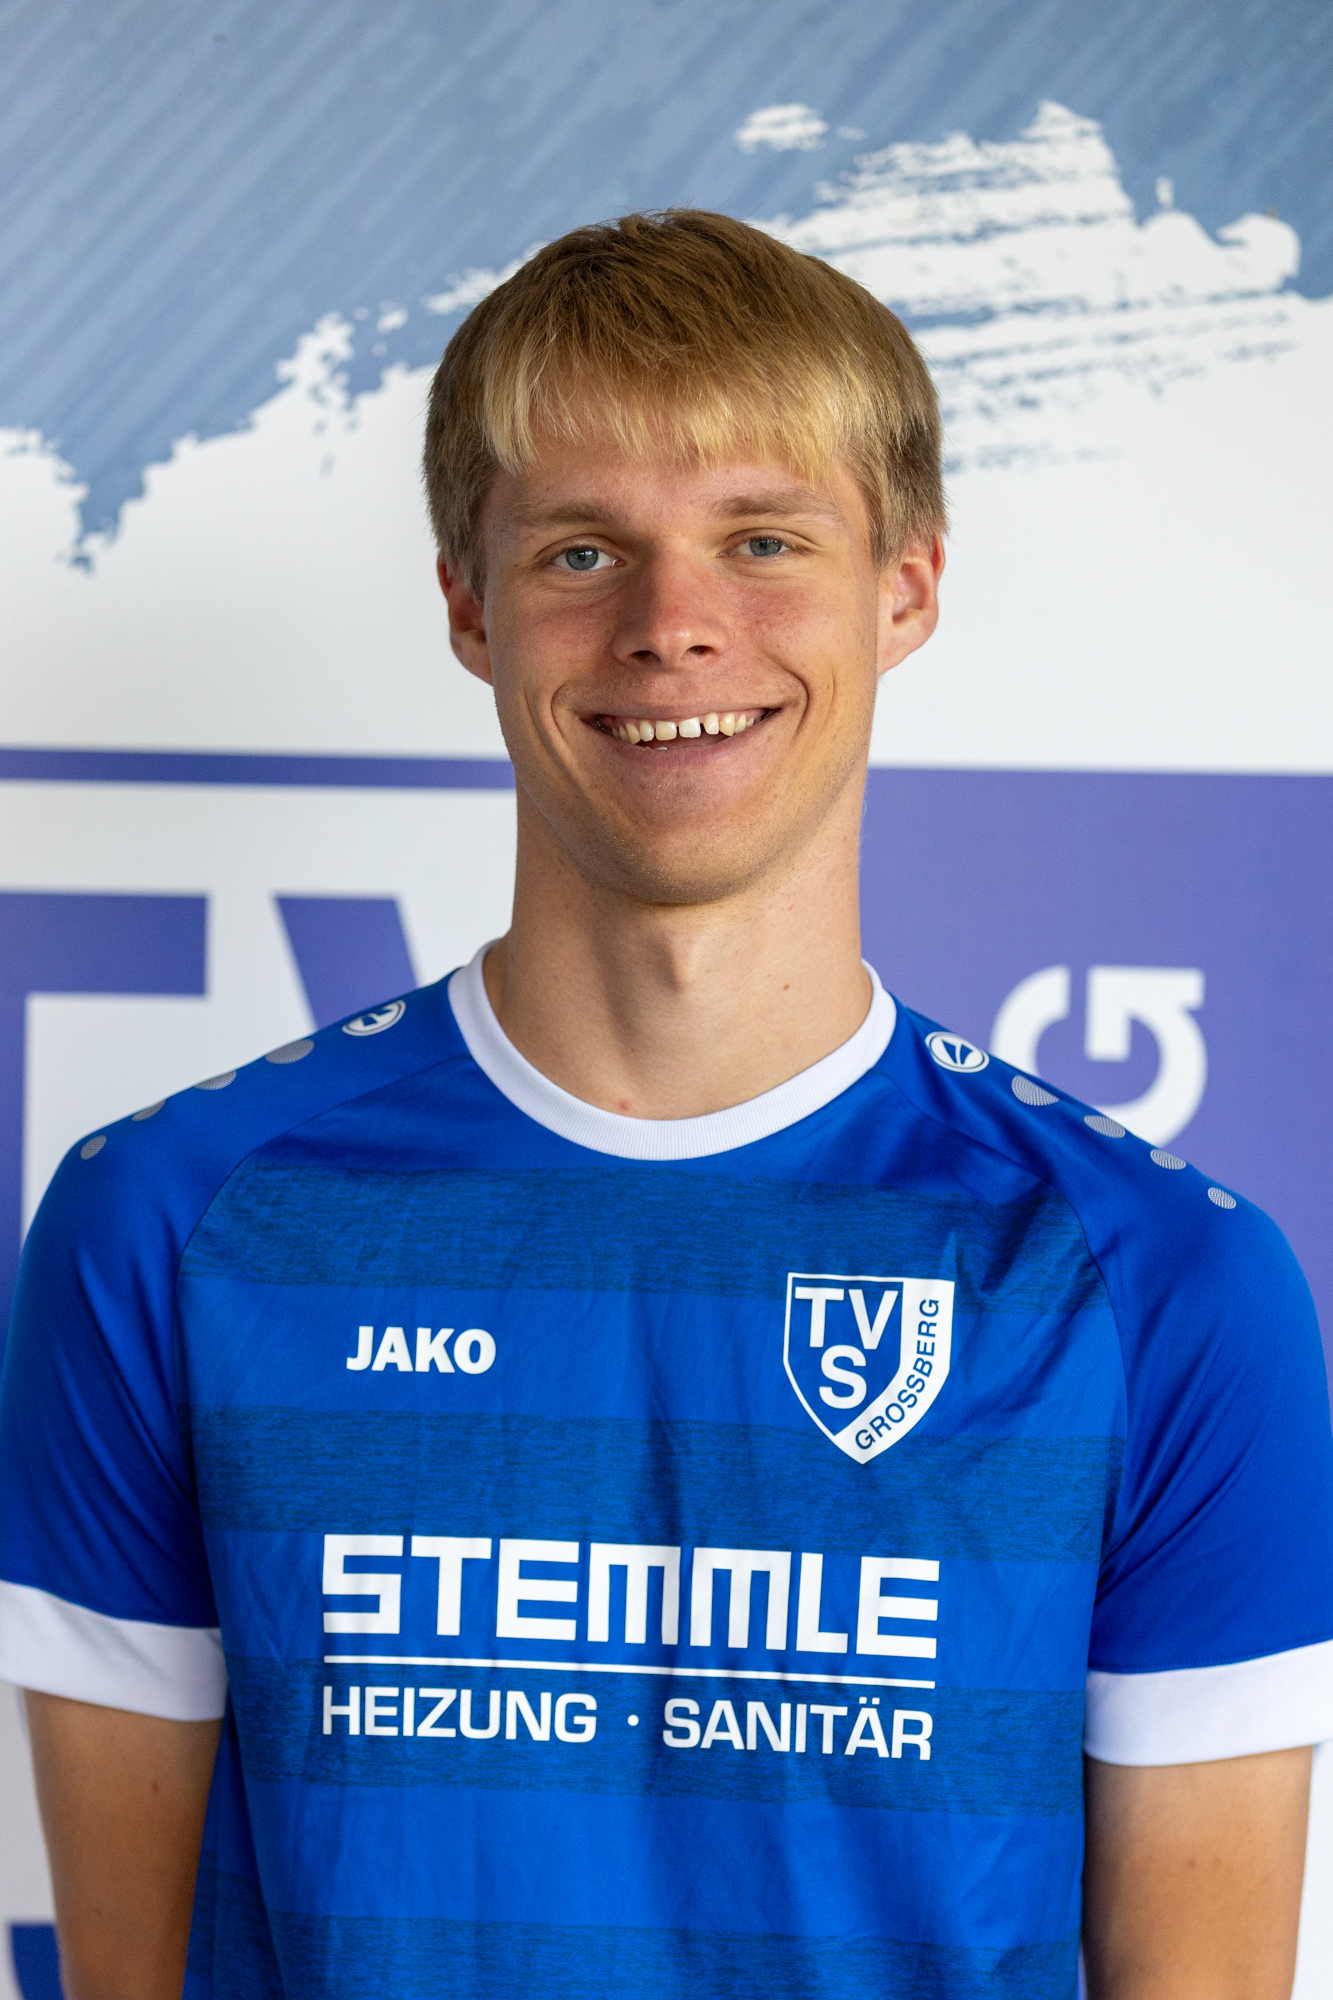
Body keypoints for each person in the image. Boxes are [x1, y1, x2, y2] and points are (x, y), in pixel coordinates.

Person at [1, 209, 1330, 2000]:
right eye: (580, 551)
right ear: (468, 605)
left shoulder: (1162, 1281)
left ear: (905, 589)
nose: (671, 628)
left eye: (762, 540)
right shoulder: (168, 1223)